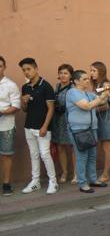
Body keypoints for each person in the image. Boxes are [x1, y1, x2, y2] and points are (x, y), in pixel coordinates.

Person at [19, 57, 58, 194]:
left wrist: (44, 127)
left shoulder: (46, 86)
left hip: (42, 128)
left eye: (28, 69)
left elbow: (51, 108)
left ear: (36, 69)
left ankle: (53, 182)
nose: (26, 72)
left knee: (45, 154)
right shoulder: (25, 87)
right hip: (28, 126)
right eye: (24, 70)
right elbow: (24, 109)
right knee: (33, 154)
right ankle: (35, 181)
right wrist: (23, 102)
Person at [65, 70, 108, 193]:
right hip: (79, 130)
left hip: (91, 128)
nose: (87, 80)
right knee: (82, 157)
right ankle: (83, 183)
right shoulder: (72, 92)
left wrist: (107, 92)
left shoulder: (88, 93)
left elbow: (102, 101)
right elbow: (86, 106)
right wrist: (101, 98)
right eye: (84, 79)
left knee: (92, 156)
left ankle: (93, 180)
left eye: (87, 78)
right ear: (76, 81)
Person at [52, 64, 76, 185]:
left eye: (65, 73)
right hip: (58, 120)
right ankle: (65, 172)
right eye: (61, 73)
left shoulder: (73, 88)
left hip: (69, 119)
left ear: (71, 75)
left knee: (72, 147)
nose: (62, 75)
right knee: (61, 146)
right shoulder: (57, 86)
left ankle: (76, 173)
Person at [0, 55, 20, 196]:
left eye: (0, 66)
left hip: (6, 125)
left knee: (6, 155)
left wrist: (2, 112)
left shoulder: (11, 85)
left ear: (4, 67)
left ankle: (6, 184)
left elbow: (16, 106)